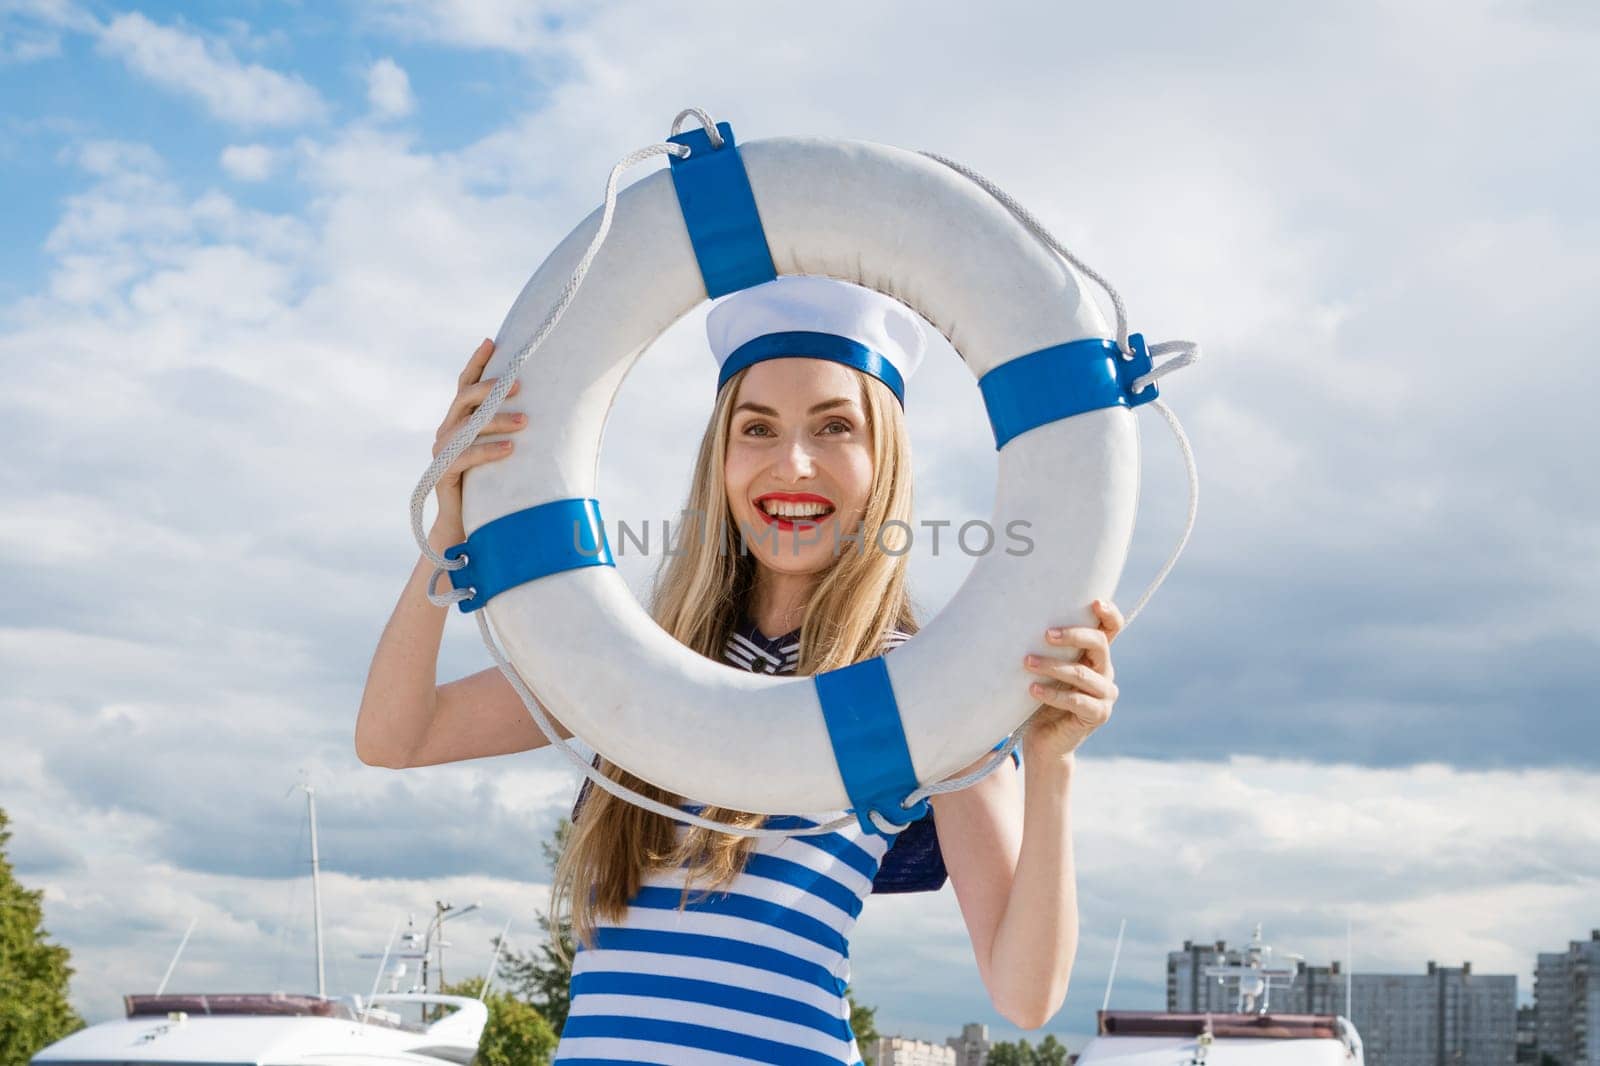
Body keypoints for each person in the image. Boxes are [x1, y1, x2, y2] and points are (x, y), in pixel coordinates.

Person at [355, 275, 1124, 1063]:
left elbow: (1025, 994)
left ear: (883, 461)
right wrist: (449, 520)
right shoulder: (636, 660)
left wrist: (1054, 767)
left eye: (834, 428)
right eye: (757, 429)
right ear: (720, 458)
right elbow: (395, 737)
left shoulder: (924, 688)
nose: (792, 463)